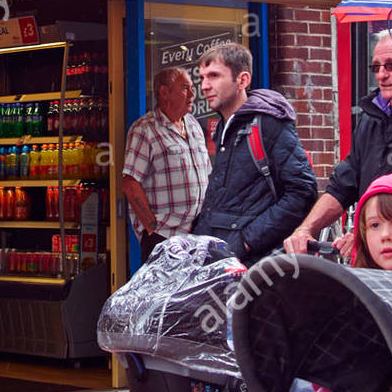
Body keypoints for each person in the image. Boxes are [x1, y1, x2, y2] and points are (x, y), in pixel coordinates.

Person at [284, 26, 392, 256]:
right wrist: (305, 229)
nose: (381, 75)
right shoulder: (371, 119)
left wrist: (370, 234)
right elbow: (344, 183)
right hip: (374, 261)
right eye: (376, 67)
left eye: (391, 65)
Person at [190, 43, 317, 264]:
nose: (205, 86)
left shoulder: (268, 123)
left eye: (214, 76)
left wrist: (246, 241)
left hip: (254, 265)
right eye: (202, 78)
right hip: (223, 261)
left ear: (243, 80)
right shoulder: (224, 126)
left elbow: (302, 193)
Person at [121, 67, 211, 261]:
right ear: (164, 92)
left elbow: (207, 173)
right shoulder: (145, 129)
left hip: (198, 234)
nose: (193, 94)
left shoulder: (193, 125)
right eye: (185, 88)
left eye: (193, 88)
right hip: (165, 237)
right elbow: (130, 184)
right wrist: (152, 228)